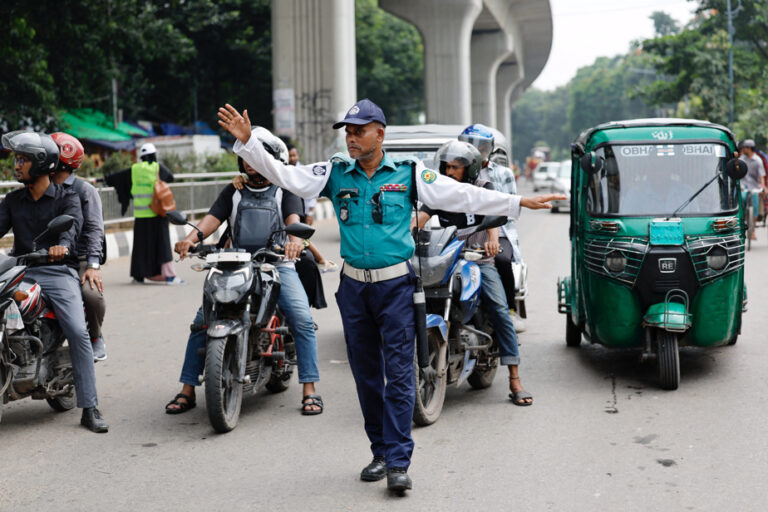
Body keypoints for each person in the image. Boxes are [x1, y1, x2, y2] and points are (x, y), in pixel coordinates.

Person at [217, 99, 564, 494]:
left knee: (399, 374)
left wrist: (517, 203)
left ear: (379, 134)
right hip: (353, 288)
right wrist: (249, 145)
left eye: (358, 131)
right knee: (365, 374)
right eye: (347, 131)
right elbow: (287, 177)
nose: (350, 137)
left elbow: (461, 196)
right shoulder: (334, 171)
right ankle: (380, 451)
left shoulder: (410, 173)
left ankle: (399, 461)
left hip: (396, 286)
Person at [166, 129, 323, 416]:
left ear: (271, 159)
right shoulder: (234, 191)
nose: (250, 162)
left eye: (256, 157)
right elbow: (211, 220)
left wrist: (294, 245)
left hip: (276, 264)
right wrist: (191, 240)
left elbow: (294, 221)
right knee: (202, 321)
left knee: (302, 319)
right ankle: (187, 389)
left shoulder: (285, 189)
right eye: (246, 157)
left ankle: (310, 389)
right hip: (236, 263)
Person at [0, 130, 108, 433]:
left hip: (57, 272)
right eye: (17, 159)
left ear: (40, 163)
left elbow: (70, 233)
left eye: (22, 159)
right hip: (19, 271)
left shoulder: (68, 198)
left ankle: (89, 407)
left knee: (77, 330)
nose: (16, 165)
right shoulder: (12, 201)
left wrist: (61, 247)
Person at [415, 140, 531, 406]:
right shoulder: (440, 192)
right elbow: (420, 218)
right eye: (446, 166)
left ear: (470, 169)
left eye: (455, 167)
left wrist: (492, 239)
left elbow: (494, 210)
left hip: (478, 257)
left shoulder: (483, 188)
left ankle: (514, 379)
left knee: (500, 310)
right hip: (445, 257)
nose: (449, 171)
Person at [460, 124, 525, 330]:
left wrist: (493, 235)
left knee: (503, 259)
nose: (476, 152)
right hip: (463, 230)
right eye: (470, 146)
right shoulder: (455, 171)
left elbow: (510, 205)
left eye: (481, 147)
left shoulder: (503, 173)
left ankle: (510, 310)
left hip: (499, 228)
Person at [50, 132, 108, 361]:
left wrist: (93, 265)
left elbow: (95, 229)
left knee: (91, 295)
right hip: (47, 257)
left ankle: (95, 336)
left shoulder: (85, 191)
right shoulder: (41, 189)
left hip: (80, 258)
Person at [104, 143, 183, 284]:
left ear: (141, 157)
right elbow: (170, 177)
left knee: (140, 247)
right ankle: (170, 277)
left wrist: (101, 179)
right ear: (154, 155)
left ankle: (138, 276)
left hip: (140, 216)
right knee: (163, 246)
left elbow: (115, 178)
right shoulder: (157, 167)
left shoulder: (134, 169)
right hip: (158, 214)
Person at [739, 139, 767, 239]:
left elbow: (761, 176)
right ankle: (741, 223)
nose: (743, 149)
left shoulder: (758, 160)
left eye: (745, 147)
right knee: (741, 200)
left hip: (754, 187)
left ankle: (753, 230)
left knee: (755, 208)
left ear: (749, 148)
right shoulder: (742, 159)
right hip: (743, 186)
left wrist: (762, 186)